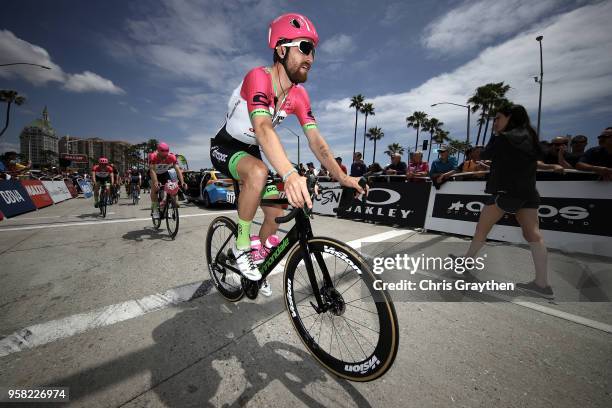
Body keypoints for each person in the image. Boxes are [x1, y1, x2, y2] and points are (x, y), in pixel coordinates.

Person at [208, 13, 366, 296]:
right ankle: (241, 245)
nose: (311, 58)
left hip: (256, 149)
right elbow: (263, 127)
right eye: (304, 48)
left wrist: (343, 177)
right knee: (258, 171)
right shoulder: (258, 77)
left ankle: (260, 262)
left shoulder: (299, 96)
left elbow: (316, 141)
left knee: (277, 210)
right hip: (226, 146)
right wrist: (290, 174)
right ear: (281, 49)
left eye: (313, 51)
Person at [453, 104, 563, 299]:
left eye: (498, 118)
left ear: (509, 118)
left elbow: (485, 154)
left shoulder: (504, 137)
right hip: (528, 192)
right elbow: (531, 162)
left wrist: (495, 134)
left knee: (482, 229)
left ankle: (467, 262)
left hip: (504, 192)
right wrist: (549, 167)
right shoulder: (529, 137)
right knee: (534, 236)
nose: (495, 122)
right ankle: (542, 284)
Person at [150, 142, 187, 218]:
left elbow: (177, 170)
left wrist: (182, 182)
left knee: (171, 187)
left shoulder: (172, 157)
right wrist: (156, 182)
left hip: (164, 173)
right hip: (154, 173)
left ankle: (165, 206)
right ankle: (155, 210)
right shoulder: (153, 156)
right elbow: (152, 171)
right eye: (162, 156)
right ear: (158, 152)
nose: (164, 158)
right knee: (155, 189)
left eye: (165, 156)